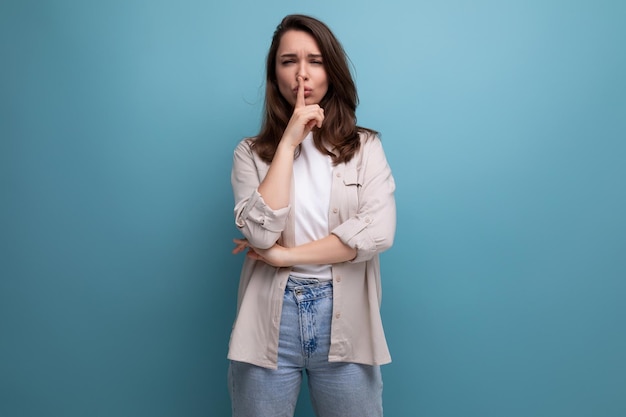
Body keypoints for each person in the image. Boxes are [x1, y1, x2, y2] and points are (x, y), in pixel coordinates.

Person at [228, 14, 396, 417]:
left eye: (315, 60)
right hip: (269, 318)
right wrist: (288, 143)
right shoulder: (249, 154)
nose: (301, 73)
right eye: (288, 61)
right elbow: (260, 233)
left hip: (347, 318)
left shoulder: (365, 148)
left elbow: (378, 233)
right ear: (275, 73)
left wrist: (286, 257)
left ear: (331, 70)